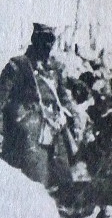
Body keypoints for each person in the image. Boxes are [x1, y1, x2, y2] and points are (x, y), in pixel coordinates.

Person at [0, 23, 75, 188]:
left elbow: (63, 97)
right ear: (35, 40)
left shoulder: (54, 67)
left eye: (51, 40)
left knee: (65, 180)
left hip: (55, 127)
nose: (48, 44)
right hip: (28, 130)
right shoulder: (18, 65)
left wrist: (71, 115)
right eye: (44, 39)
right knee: (36, 182)